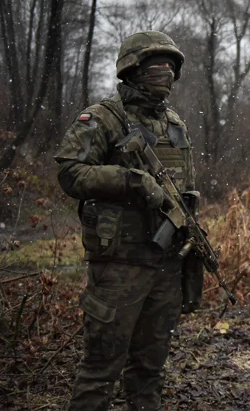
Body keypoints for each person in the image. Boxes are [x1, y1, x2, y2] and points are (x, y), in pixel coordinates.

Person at [55, 30, 201, 411]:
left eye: (171, 67)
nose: (166, 73)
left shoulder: (175, 124)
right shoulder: (103, 118)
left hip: (165, 265)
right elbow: (70, 172)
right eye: (157, 66)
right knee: (100, 370)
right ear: (132, 69)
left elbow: (184, 186)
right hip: (119, 266)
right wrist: (129, 180)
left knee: (150, 369)